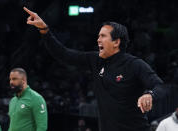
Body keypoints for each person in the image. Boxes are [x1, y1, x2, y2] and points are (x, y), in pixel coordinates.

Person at [23, 7, 167, 131]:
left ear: (116, 42)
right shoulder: (95, 60)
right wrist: (44, 30)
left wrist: (149, 95)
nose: (98, 39)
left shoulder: (134, 64)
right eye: (98, 36)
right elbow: (64, 54)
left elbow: (160, 86)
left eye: (103, 36)